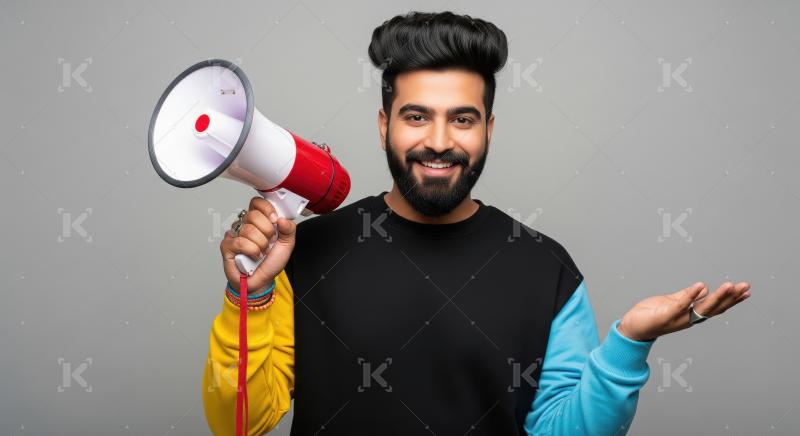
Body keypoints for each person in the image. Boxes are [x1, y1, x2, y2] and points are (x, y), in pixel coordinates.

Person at [202, 11, 751, 435]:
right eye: (417, 116)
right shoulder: (305, 254)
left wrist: (628, 343)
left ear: (488, 128)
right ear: (384, 125)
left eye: (461, 119)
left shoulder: (547, 269)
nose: (439, 141)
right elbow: (239, 424)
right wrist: (250, 292)